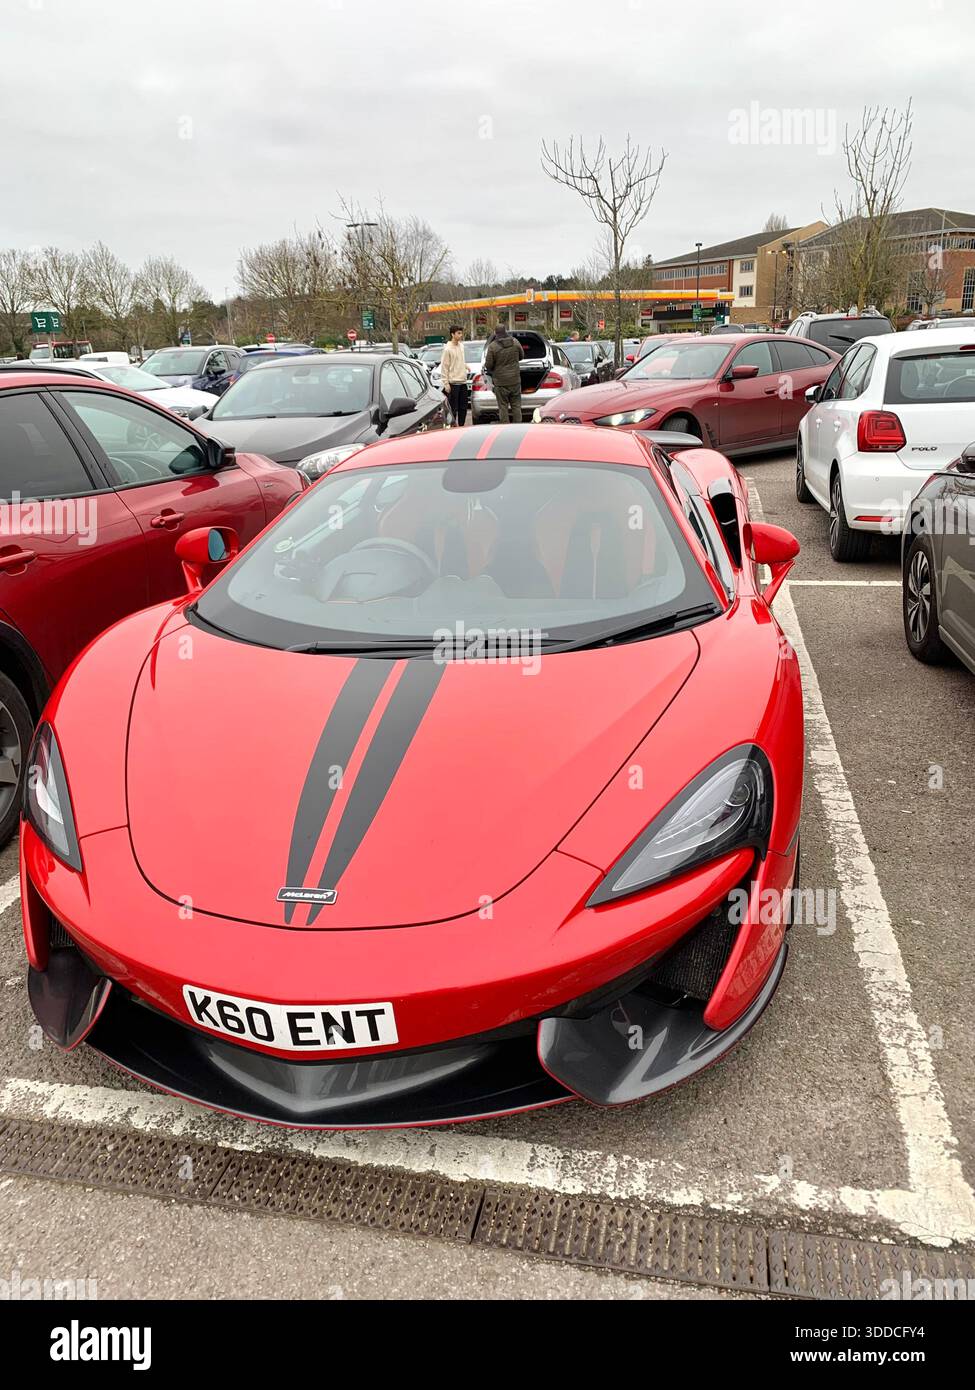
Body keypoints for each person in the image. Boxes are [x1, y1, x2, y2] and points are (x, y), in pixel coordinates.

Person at [483, 324, 524, 423]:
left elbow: (488, 365)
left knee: (503, 406)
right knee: (516, 406)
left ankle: (505, 428)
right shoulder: (515, 342)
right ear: (506, 331)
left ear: (495, 333)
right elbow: (522, 356)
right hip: (515, 380)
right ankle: (518, 427)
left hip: (500, 382)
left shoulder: (492, 346)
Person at [439, 325, 468, 427]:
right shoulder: (447, 349)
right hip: (453, 382)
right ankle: (453, 428)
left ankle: (462, 426)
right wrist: (446, 384)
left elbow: (459, 360)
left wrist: (465, 366)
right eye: (458, 333)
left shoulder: (461, 346)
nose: (461, 335)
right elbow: (445, 367)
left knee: (463, 408)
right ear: (452, 334)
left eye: (461, 333)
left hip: (463, 381)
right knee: (453, 408)